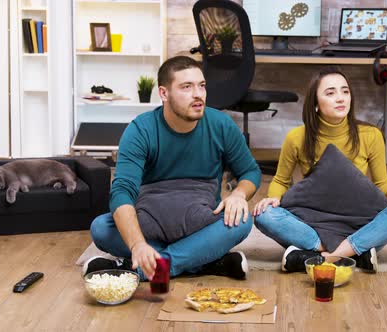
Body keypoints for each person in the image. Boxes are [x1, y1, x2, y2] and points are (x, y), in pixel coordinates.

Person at [83, 56, 261, 281]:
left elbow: (250, 172)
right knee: (101, 228)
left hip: (200, 219)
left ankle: (149, 267)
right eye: (186, 87)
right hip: (149, 221)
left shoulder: (221, 124)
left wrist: (238, 194)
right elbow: (122, 191)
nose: (198, 94)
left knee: (242, 221)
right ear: (164, 94)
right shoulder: (141, 129)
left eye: (202, 85)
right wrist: (137, 244)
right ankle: (202, 260)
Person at [253, 67, 387, 273]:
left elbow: (381, 183)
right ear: (315, 104)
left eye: (345, 91)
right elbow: (280, 180)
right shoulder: (297, 137)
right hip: (313, 221)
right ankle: (355, 253)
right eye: (330, 93)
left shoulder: (370, 134)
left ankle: (322, 256)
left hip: (358, 221)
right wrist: (273, 198)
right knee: (264, 215)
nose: (340, 98)